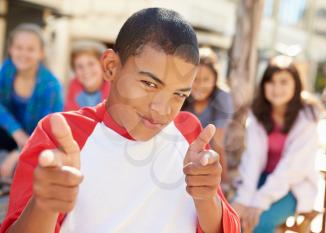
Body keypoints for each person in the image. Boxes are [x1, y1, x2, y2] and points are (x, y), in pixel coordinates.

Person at [1, 8, 240, 233]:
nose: (161, 110)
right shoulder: (63, 134)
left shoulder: (190, 134)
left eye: (179, 95)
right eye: (149, 84)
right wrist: (45, 205)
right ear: (111, 67)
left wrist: (207, 197)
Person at [232, 56, 319, 233]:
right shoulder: (258, 113)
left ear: (296, 84)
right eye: (270, 82)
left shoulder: (308, 116)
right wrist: (244, 199)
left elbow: (292, 169)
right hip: (260, 179)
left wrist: (259, 202)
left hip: (293, 186)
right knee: (231, 216)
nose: (276, 88)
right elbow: (252, 159)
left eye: (284, 82)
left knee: (258, 223)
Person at [0, 23, 63, 178]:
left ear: (41, 53)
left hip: (37, 141)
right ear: (11, 49)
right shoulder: (7, 69)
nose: (23, 53)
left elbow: (48, 131)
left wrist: (17, 153)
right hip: (12, 134)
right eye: (19, 47)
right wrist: (16, 131)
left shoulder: (51, 85)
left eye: (30, 49)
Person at [182, 47, 233, 183]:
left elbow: (218, 144)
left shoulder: (222, 98)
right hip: (181, 155)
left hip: (209, 159)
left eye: (206, 79)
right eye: (195, 79)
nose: (200, 85)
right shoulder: (182, 95)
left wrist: (224, 181)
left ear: (215, 79)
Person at [64, 40, 110, 111]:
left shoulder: (113, 91)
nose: (85, 70)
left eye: (91, 64)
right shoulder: (73, 88)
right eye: (79, 66)